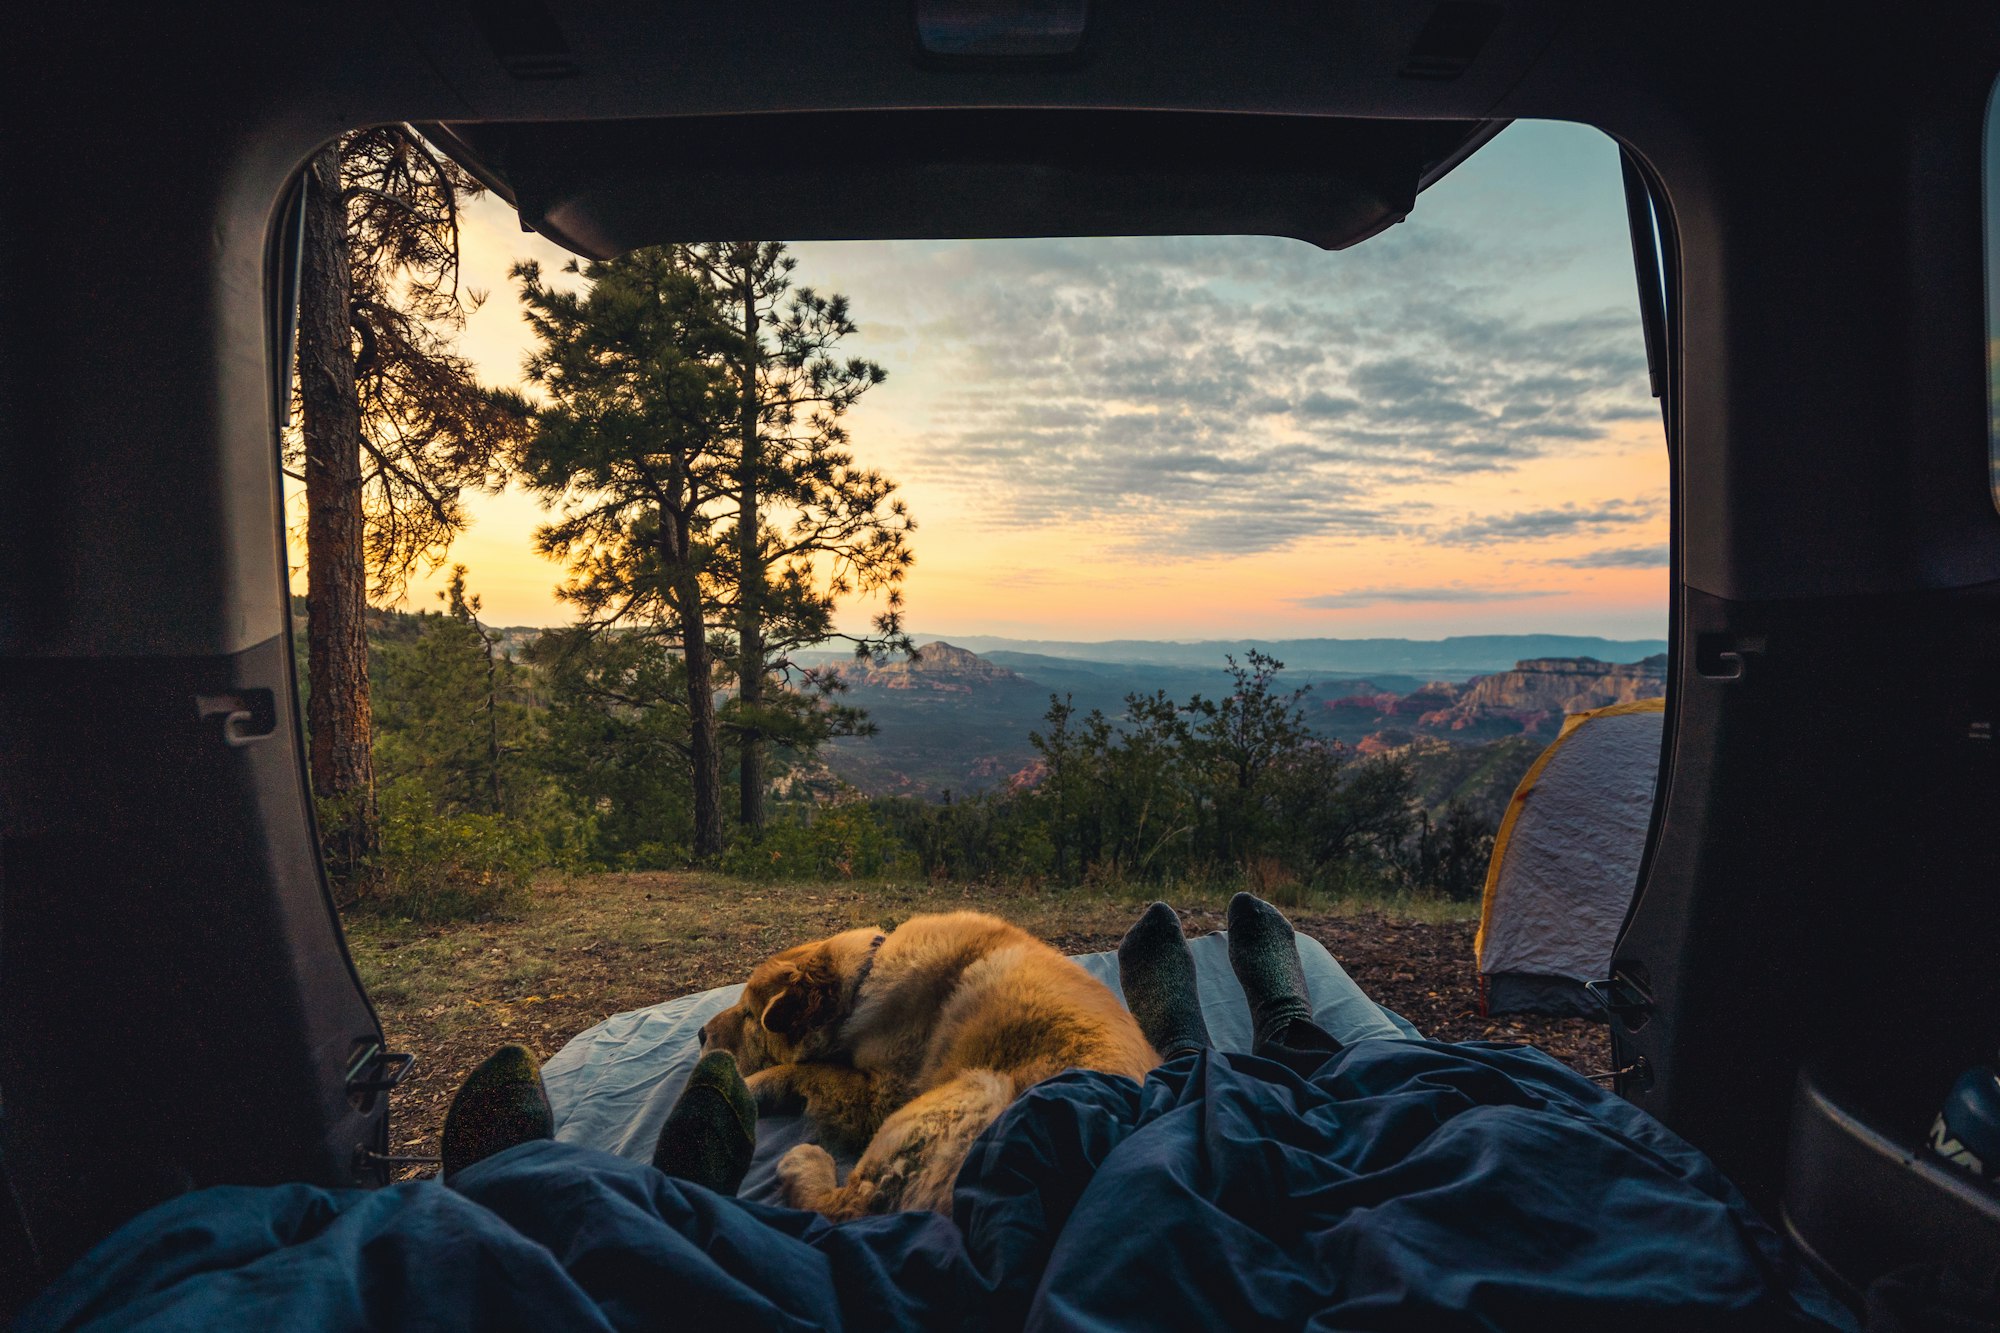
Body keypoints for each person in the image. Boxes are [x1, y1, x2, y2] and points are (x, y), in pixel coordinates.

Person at [18, 896, 1857, 1331]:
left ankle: (594, 1182)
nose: (770, 1024)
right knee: (1406, 1103)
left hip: (1021, 1160)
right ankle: (1276, 1039)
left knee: (462, 1252)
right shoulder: (888, 993)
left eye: (773, 1019)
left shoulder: (874, 995)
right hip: (1096, 1162)